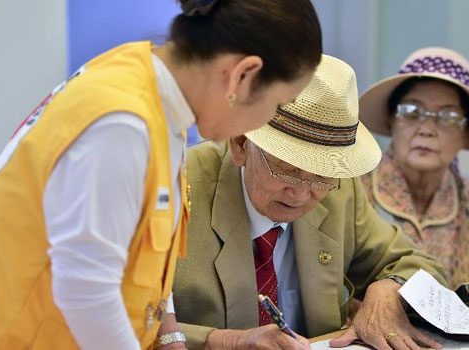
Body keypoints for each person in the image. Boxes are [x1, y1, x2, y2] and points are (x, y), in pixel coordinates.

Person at [0, 1, 321, 349]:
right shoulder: (123, 124)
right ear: (242, 75)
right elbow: (85, 288)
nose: (265, 121)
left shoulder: (156, 98)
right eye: (278, 104)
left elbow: (144, 261)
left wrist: (169, 336)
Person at [172, 54, 448, 350]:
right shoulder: (176, 190)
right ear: (241, 144)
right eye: (287, 169)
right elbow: (125, 318)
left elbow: (425, 267)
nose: (303, 193)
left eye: (322, 176)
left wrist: (387, 290)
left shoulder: (341, 190)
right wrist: (225, 342)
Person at [359, 47, 469, 290]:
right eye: (412, 112)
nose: (426, 128)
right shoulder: (354, 192)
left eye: (448, 116)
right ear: (391, 120)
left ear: (466, 133)